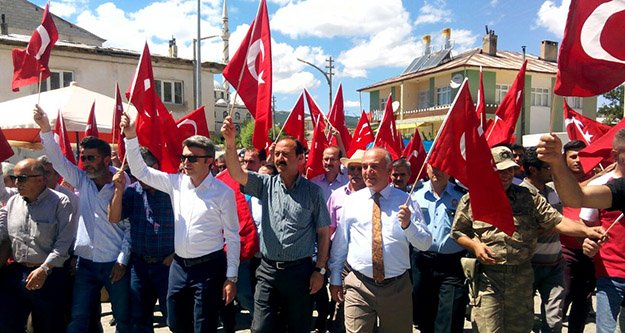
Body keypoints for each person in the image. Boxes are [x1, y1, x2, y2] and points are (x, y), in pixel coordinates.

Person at [451, 146, 604, 333]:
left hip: (522, 279)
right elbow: (457, 232)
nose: (507, 175)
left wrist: (587, 231)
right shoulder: (473, 199)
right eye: (501, 170)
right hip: (489, 280)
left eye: (510, 169)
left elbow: (556, 221)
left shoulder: (528, 196)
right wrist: (475, 245)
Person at [120, 114, 240, 333]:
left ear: (209, 161)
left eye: (192, 158)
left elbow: (232, 236)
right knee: (175, 323)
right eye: (184, 157)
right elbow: (140, 171)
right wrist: (130, 136)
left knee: (203, 326)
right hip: (179, 267)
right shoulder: (175, 183)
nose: (185, 163)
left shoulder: (223, 193)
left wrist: (231, 277)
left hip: (209, 268)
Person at [221, 116, 331, 333]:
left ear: (300, 158)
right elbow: (236, 173)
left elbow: (323, 233)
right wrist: (230, 142)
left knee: (298, 328)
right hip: (268, 272)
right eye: (277, 153)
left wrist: (320, 270)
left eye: (286, 154)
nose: (280, 158)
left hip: (300, 273)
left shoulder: (313, 192)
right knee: (261, 328)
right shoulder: (265, 184)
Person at [33, 105, 132, 333]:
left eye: (91, 158)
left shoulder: (124, 185)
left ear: (106, 159)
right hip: (85, 263)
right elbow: (58, 162)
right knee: (78, 318)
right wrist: (46, 129)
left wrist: (122, 260)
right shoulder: (82, 180)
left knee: (123, 319)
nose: (85, 162)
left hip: (114, 263)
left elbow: (130, 228)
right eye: (82, 157)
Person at [329, 147, 432, 333]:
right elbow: (340, 245)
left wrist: (409, 225)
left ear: (389, 169)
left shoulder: (406, 202)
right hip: (359, 284)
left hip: (396, 288)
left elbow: (424, 243)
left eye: (374, 166)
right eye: (365, 166)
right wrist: (335, 278)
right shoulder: (352, 202)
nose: (368, 171)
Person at [538, 130, 625, 333]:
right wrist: (557, 163)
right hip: (611, 274)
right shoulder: (614, 186)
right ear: (615, 155)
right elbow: (576, 198)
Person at [0, 158, 76, 333]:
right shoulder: (13, 202)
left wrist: (45, 269)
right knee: (7, 323)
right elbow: (3, 232)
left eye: (22, 178)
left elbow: (63, 244)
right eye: (15, 177)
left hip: (49, 276)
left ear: (41, 179)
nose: (17, 182)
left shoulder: (61, 202)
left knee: (48, 326)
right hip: (16, 274)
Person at [108, 147, 175, 333]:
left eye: (142, 170)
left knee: (174, 317)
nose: (139, 176)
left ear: (155, 166)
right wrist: (118, 191)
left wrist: (175, 255)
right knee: (139, 318)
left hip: (167, 265)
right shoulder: (132, 192)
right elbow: (113, 218)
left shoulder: (173, 192)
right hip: (140, 266)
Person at [411, 164, 467, 333]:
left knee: (449, 317)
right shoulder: (415, 195)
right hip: (422, 262)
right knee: (424, 317)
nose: (437, 171)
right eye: (433, 166)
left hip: (452, 264)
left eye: (443, 166)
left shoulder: (462, 196)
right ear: (426, 168)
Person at [520, 147, 565, 332]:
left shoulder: (553, 191)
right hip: (528, 266)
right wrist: (547, 227)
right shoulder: (520, 194)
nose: (551, 171)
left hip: (555, 264)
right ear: (533, 170)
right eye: (547, 168)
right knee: (524, 319)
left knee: (554, 321)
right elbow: (521, 231)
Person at [558, 140, 596, 333]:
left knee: (583, 302)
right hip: (566, 253)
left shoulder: (599, 184)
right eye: (573, 156)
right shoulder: (557, 183)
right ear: (564, 159)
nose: (579, 160)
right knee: (563, 300)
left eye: (583, 156)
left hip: (591, 254)